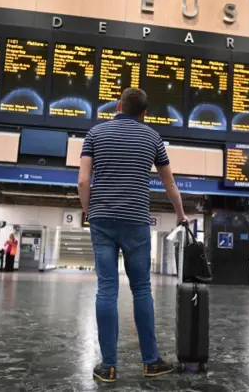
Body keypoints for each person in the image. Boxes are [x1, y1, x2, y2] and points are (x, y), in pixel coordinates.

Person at [78, 88, 188, 383]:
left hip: (102, 218)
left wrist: (89, 211)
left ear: (118, 105)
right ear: (144, 113)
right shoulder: (153, 138)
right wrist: (180, 214)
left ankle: (108, 366)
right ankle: (151, 362)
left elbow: (83, 180)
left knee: (107, 289)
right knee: (141, 289)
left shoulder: (95, 133)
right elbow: (170, 184)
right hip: (136, 220)